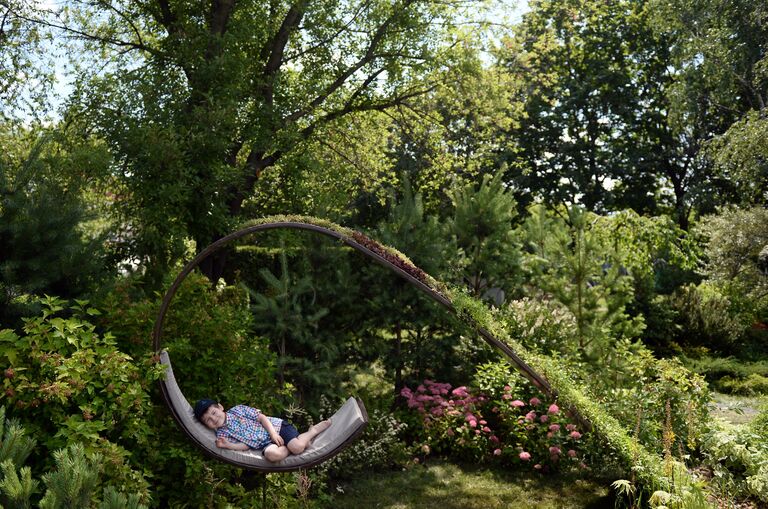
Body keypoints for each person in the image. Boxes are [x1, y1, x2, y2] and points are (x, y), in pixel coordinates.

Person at [193, 399, 332, 462]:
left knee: (297, 447)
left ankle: (312, 431)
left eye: (213, 412)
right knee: (272, 456)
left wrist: (273, 433)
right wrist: (228, 445)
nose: (213, 418)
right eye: (207, 420)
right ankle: (293, 444)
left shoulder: (237, 411)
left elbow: (261, 418)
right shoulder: (222, 435)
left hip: (276, 428)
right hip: (265, 444)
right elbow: (245, 445)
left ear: (220, 407)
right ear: (206, 425)